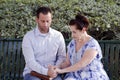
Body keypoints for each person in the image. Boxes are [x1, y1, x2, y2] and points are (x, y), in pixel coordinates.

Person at [54, 14, 109, 80]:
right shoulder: (72, 43)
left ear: (83, 30)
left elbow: (81, 64)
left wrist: (61, 71)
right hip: (75, 75)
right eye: (71, 32)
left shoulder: (92, 44)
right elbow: (67, 63)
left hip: (91, 75)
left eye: (74, 32)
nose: (72, 35)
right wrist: (57, 67)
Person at [22, 6, 66, 80]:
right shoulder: (28, 37)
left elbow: (62, 57)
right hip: (33, 73)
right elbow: (30, 62)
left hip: (53, 74)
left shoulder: (58, 36)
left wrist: (54, 69)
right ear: (37, 19)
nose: (45, 24)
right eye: (43, 21)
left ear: (51, 20)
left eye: (48, 21)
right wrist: (46, 72)